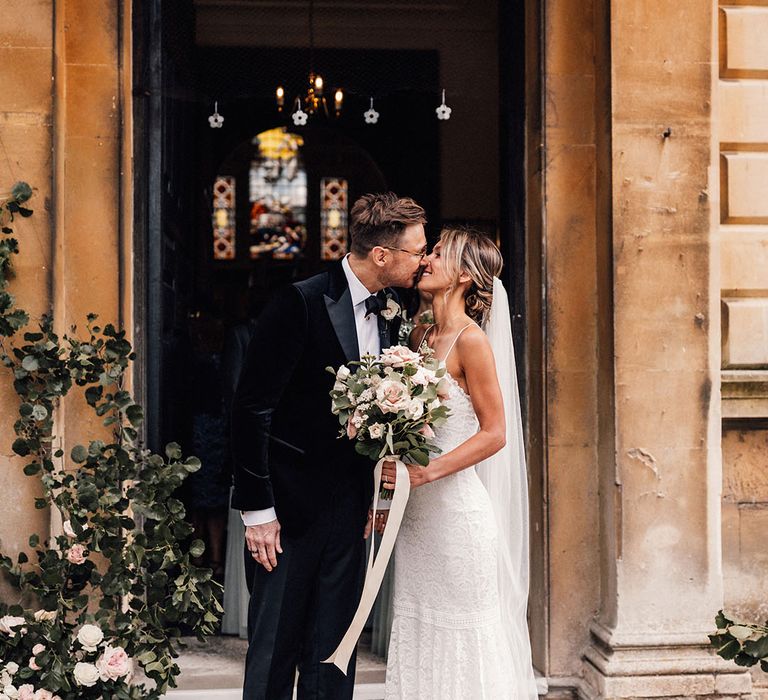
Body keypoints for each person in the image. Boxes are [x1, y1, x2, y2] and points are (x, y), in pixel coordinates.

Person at [230, 192, 428, 699]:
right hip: (287, 517)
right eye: (416, 251)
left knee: (335, 654)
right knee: (275, 651)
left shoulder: (396, 310)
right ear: (382, 255)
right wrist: (258, 511)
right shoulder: (298, 302)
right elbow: (252, 408)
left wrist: (374, 500)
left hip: (350, 511)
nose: (423, 260)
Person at [379, 227, 538, 699]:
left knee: (464, 639)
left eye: (438, 253)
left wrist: (428, 472)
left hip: (457, 518)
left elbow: (495, 434)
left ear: (465, 276)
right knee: (419, 631)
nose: (425, 259)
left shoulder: (472, 343)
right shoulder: (418, 332)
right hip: (416, 522)